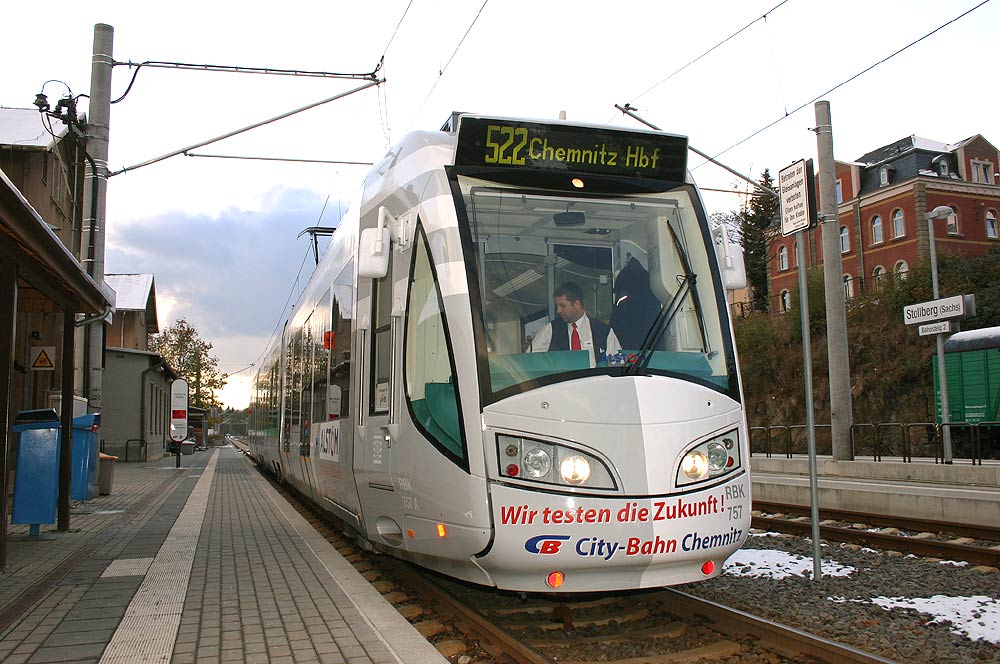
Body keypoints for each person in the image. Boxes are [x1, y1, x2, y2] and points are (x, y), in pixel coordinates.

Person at [530, 281, 621, 365]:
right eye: (557, 306)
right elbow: (529, 360)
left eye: (562, 306)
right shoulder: (551, 330)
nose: (558, 311)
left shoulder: (603, 330)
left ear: (577, 303)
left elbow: (617, 363)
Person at [610, 256, 662, 351]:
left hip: (629, 348)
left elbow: (617, 325)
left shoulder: (623, 294)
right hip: (651, 346)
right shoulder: (652, 288)